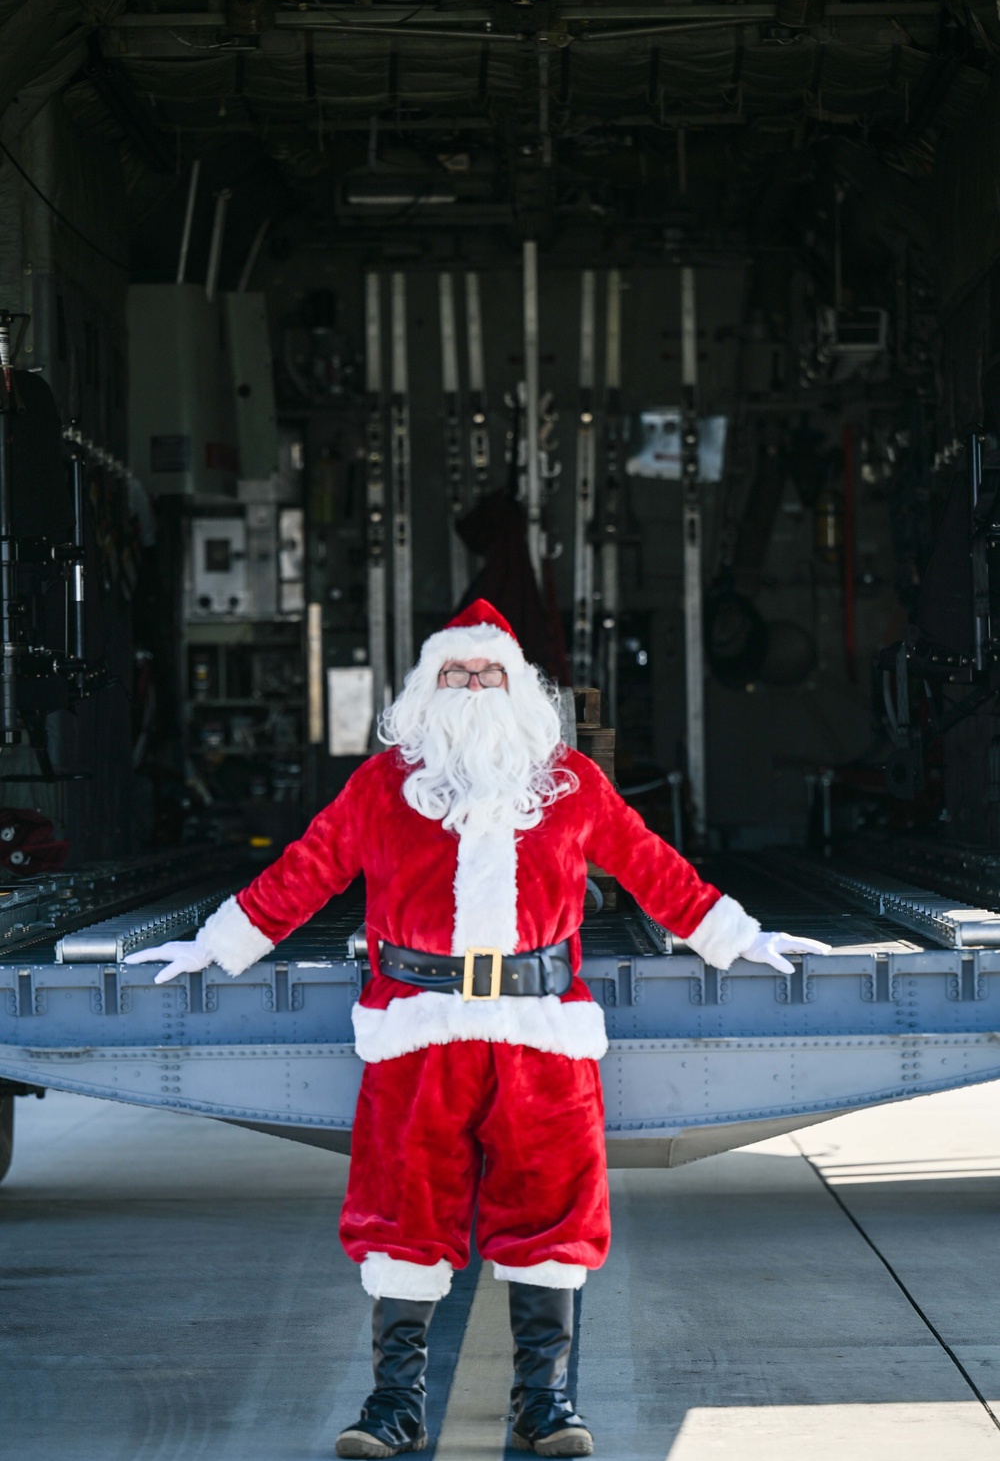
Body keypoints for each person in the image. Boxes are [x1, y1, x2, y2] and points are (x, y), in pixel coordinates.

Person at [126, 599, 828, 1460]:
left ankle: (547, 1401)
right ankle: (394, 1403)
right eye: (452, 671)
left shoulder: (570, 781)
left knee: (552, 1212)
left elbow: (652, 865)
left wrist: (740, 936)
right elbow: (303, 870)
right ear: (425, 688)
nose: (469, 685)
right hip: (417, 1032)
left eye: (485, 671)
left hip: (540, 1034)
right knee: (400, 1210)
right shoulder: (384, 785)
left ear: (517, 687)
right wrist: (216, 945)